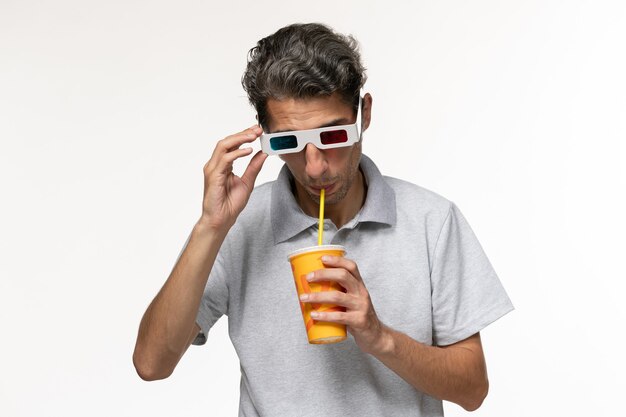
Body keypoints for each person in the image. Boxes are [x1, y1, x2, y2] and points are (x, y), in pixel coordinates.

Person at [133, 23, 514, 416]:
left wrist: (380, 338)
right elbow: (151, 364)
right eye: (288, 143)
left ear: (363, 115)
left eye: (332, 137)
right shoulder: (238, 225)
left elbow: (473, 390)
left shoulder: (432, 221)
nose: (314, 168)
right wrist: (209, 228)